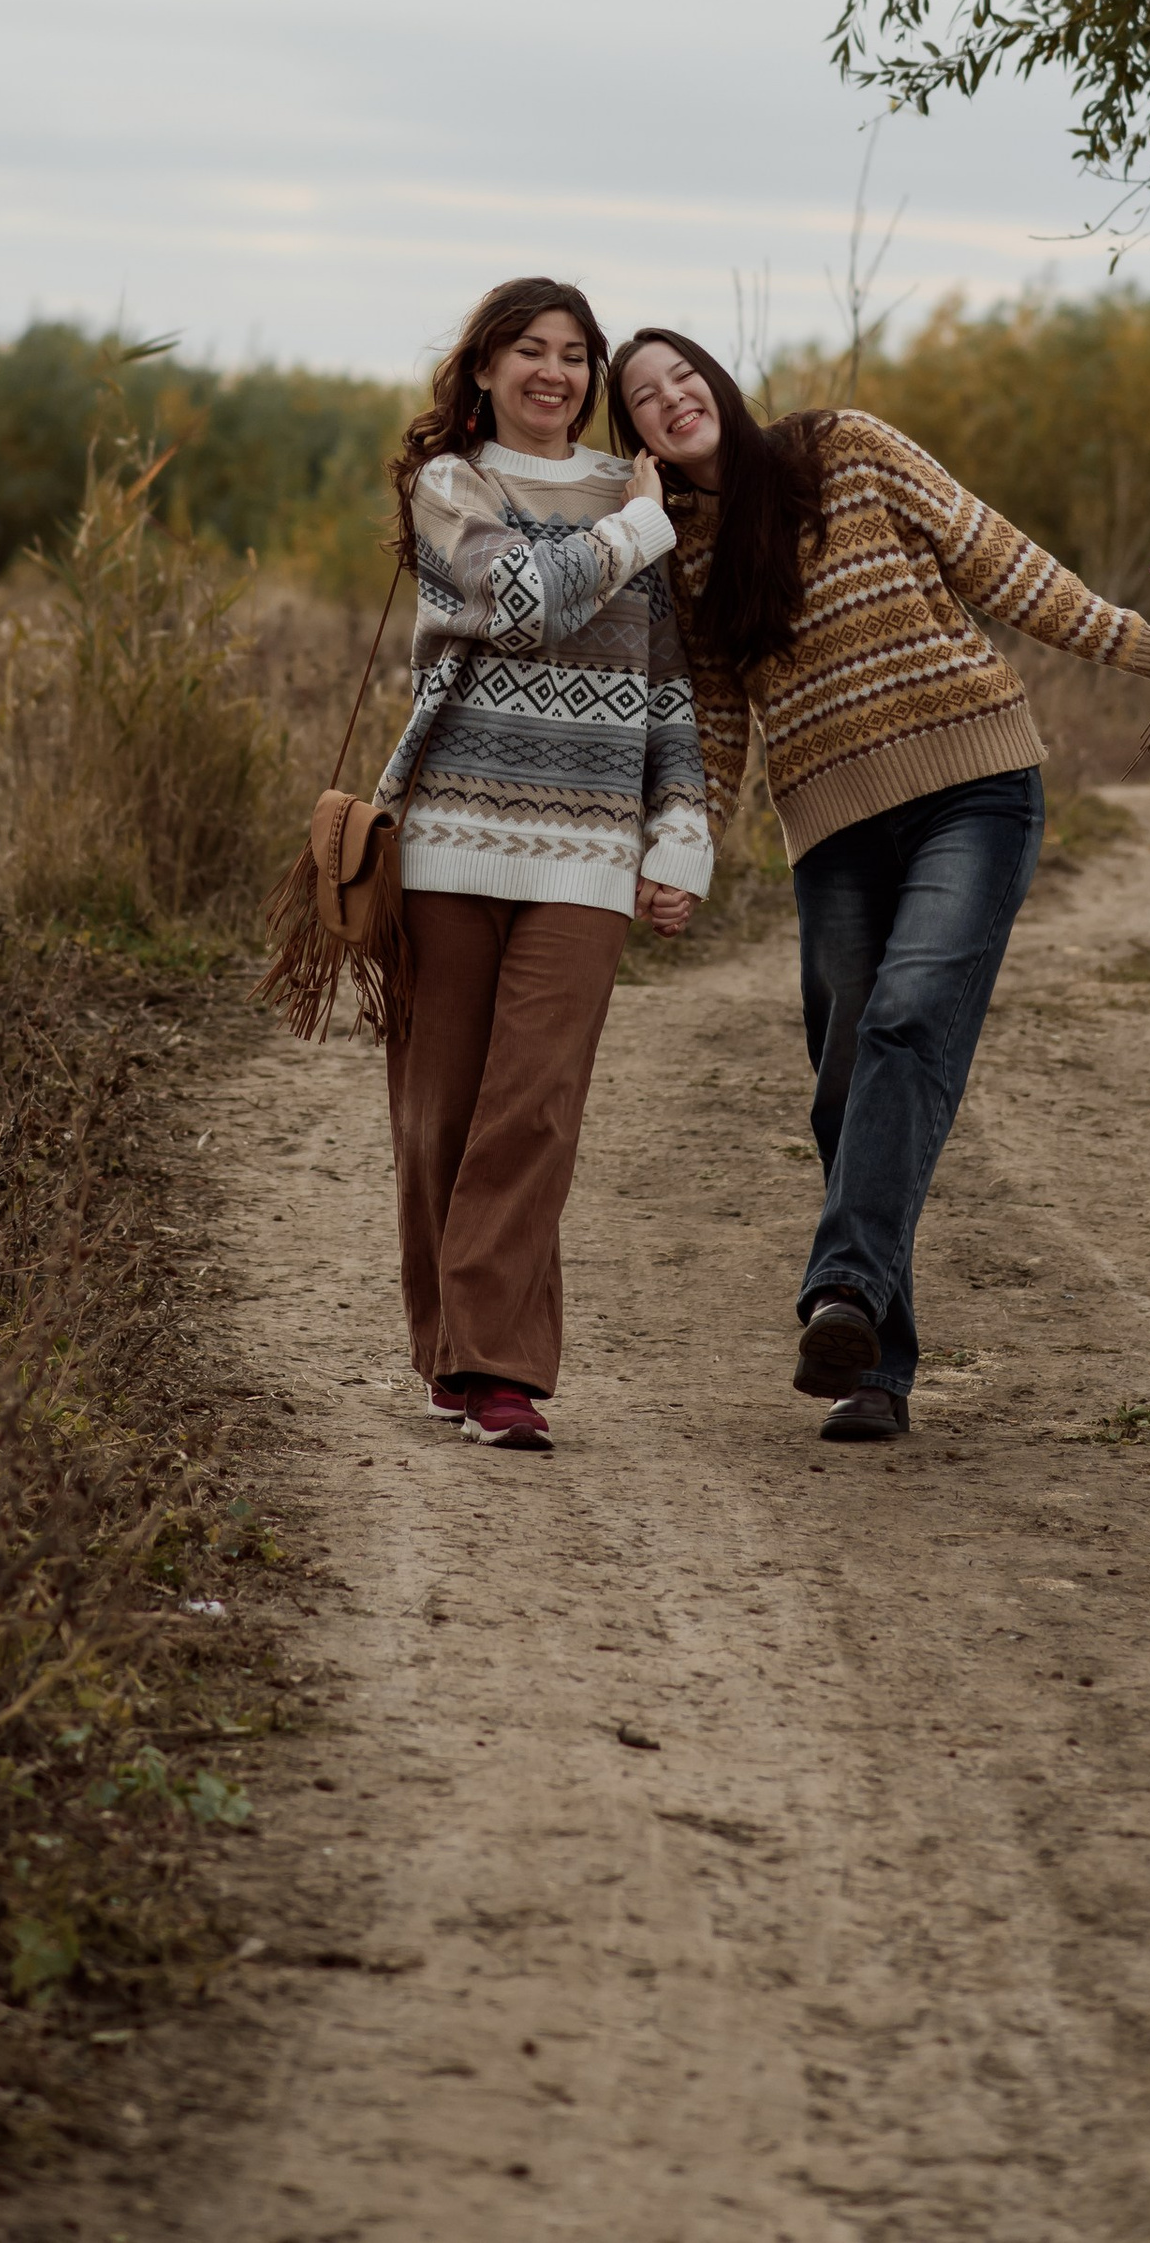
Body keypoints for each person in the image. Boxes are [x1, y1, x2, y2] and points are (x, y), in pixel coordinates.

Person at [608, 330, 1150, 1443]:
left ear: (717, 382)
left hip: (971, 786)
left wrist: (1128, 643)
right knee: (843, 1080)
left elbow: (994, 556)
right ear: (635, 435)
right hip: (831, 828)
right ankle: (872, 1372)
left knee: (905, 1019)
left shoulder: (844, 449)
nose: (671, 400)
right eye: (643, 399)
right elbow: (718, 718)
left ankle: (841, 1291)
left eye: (682, 375)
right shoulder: (680, 555)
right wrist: (678, 856)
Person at [372, 278, 711, 1450]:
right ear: (482, 368)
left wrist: (680, 833)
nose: (554, 372)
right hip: (446, 841)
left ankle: (499, 1367)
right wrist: (635, 527)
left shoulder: (633, 498)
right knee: (440, 1112)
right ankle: (449, 1350)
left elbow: (670, 686)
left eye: (574, 354)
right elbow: (520, 600)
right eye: (529, 349)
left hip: (586, 847)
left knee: (534, 1111)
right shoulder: (452, 486)